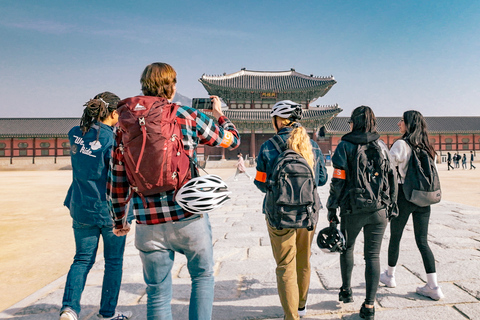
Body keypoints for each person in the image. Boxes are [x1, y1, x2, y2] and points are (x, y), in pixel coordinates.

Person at [107, 62, 240, 320]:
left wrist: (120, 220)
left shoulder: (124, 125)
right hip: (188, 216)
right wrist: (220, 114)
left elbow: (117, 178)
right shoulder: (187, 115)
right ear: (172, 87)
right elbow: (231, 140)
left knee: (157, 292)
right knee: (202, 277)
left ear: (143, 86)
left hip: (148, 220)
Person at [60, 92, 132, 320]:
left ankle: (69, 309)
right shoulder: (113, 140)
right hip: (111, 210)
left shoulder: (75, 134)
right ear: (113, 113)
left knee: (81, 259)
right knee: (113, 262)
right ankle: (107, 313)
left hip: (81, 206)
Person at [254, 100, 328, 320]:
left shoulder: (268, 146)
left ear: (279, 120)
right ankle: (302, 307)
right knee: (304, 260)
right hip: (308, 212)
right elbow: (322, 179)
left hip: (279, 213)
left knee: (285, 264)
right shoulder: (312, 145)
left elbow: (260, 182)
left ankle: (291, 316)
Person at [326, 106, 397, 320]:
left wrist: (332, 207)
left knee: (347, 248)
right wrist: (391, 205)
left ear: (354, 123)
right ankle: (369, 305)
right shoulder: (382, 145)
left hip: (353, 208)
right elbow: (392, 177)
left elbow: (338, 180)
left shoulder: (344, 146)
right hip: (379, 209)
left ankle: (346, 290)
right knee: (372, 255)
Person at [380, 110, 445, 301]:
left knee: (396, 237)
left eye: (402, 120)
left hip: (404, 196)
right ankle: (433, 286)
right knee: (423, 241)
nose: (399, 123)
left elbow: (388, 167)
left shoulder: (401, 144)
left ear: (409, 124)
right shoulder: (428, 147)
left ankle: (390, 276)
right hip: (423, 198)